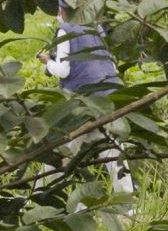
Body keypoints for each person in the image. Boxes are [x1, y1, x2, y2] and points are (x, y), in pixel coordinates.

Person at [45, 16, 132, 194]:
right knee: (112, 148)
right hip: (108, 92)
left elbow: (63, 70)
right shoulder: (95, 26)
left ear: (61, 9)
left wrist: (47, 61)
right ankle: (127, 199)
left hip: (83, 99)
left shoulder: (65, 29)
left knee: (63, 149)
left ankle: (40, 197)